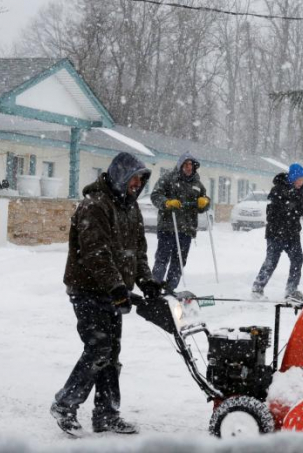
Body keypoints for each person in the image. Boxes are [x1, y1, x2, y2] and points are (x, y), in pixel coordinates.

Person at [51, 152, 162, 435]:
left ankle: (106, 415)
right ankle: (65, 404)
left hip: (114, 292)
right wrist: (116, 287)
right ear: (120, 175)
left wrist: (146, 281)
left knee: (111, 352)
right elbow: (95, 254)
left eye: (141, 179)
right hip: (87, 289)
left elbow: (137, 251)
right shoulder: (94, 206)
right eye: (134, 177)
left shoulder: (130, 207)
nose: (137, 183)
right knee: (99, 348)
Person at [150, 153, 210, 292]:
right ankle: (154, 288)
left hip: (187, 229)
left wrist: (205, 202)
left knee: (179, 261)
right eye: (186, 164)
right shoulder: (168, 179)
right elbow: (155, 195)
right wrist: (166, 203)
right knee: (162, 259)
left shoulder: (197, 184)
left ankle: (170, 289)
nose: (189, 168)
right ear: (180, 165)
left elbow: (204, 203)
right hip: (168, 226)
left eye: (191, 165)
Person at [252, 163, 303, 300]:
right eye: (300, 180)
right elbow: (275, 212)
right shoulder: (278, 189)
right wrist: (290, 207)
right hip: (276, 233)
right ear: (293, 178)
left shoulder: (299, 192)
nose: (301, 183)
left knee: (298, 259)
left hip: (292, 233)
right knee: (271, 261)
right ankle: (257, 289)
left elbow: (299, 209)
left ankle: (291, 290)